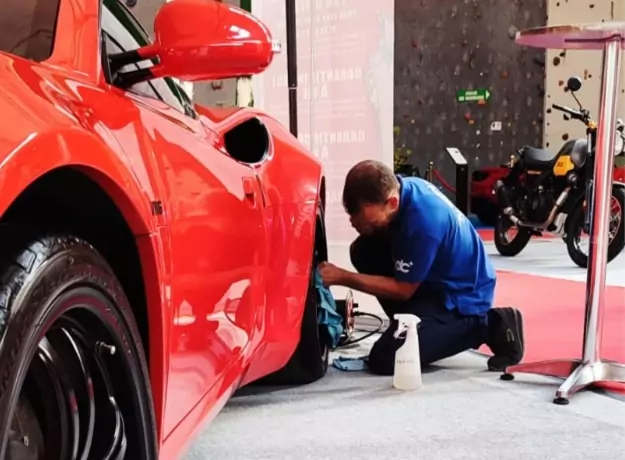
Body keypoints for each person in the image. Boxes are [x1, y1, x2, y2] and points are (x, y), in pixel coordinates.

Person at [318, 160, 525, 374]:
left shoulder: (423, 223)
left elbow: (402, 290)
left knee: (387, 359)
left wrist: (343, 277)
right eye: (352, 216)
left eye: (365, 219)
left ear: (392, 203)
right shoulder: (404, 188)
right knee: (364, 250)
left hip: (463, 300)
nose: (354, 222)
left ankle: (489, 325)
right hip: (435, 281)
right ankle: (413, 326)